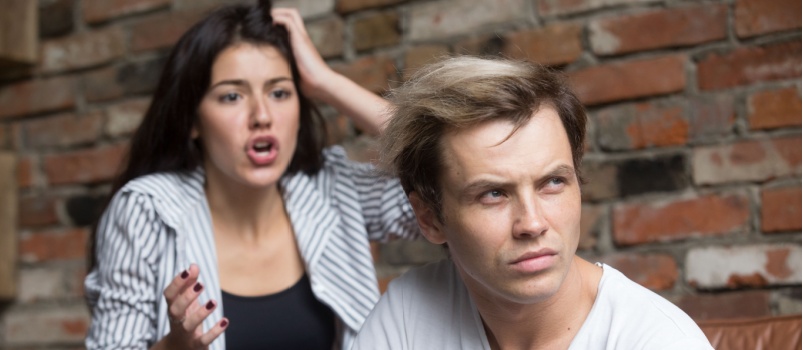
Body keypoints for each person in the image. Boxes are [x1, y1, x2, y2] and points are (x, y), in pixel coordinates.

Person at [84, 1, 419, 349]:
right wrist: (172, 347)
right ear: (193, 121)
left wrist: (325, 82)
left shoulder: (334, 188)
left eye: (279, 92)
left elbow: (439, 179)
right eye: (232, 96)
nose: (262, 115)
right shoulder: (147, 210)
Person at [352, 56, 713, 350]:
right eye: (493, 194)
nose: (533, 223)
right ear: (429, 218)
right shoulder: (409, 313)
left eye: (552, 183)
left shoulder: (660, 341)